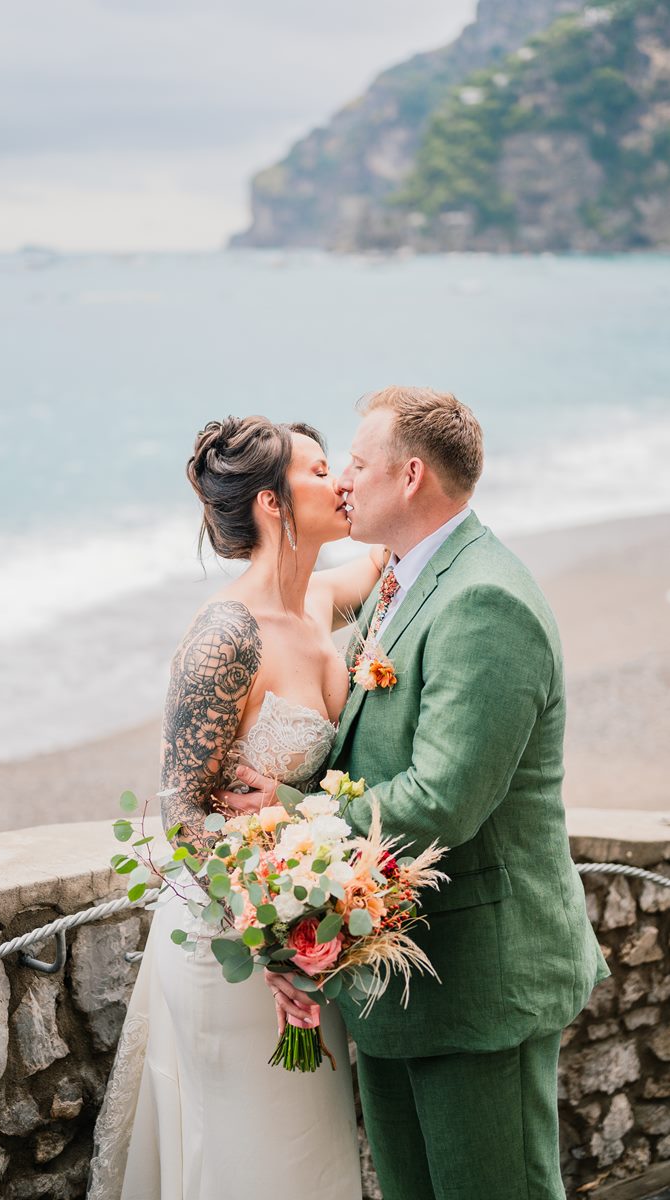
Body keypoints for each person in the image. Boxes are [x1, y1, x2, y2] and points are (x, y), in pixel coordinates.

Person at [225, 387, 610, 1200]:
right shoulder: (404, 578)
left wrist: (288, 814)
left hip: (478, 981)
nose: (343, 484)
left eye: (356, 465)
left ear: (408, 478)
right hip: (402, 984)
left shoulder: (483, 601)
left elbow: (443, 800)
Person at [88, 415, 386, 1200]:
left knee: (308, 1158)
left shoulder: (319, 602)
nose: (341, 483)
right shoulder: (226, 634)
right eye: (320, 472)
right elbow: (182, 812)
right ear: (270, 503)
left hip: (302, 949)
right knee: (243, 1164)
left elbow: (400, 548)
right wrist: (268, 950)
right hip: (230, 951)